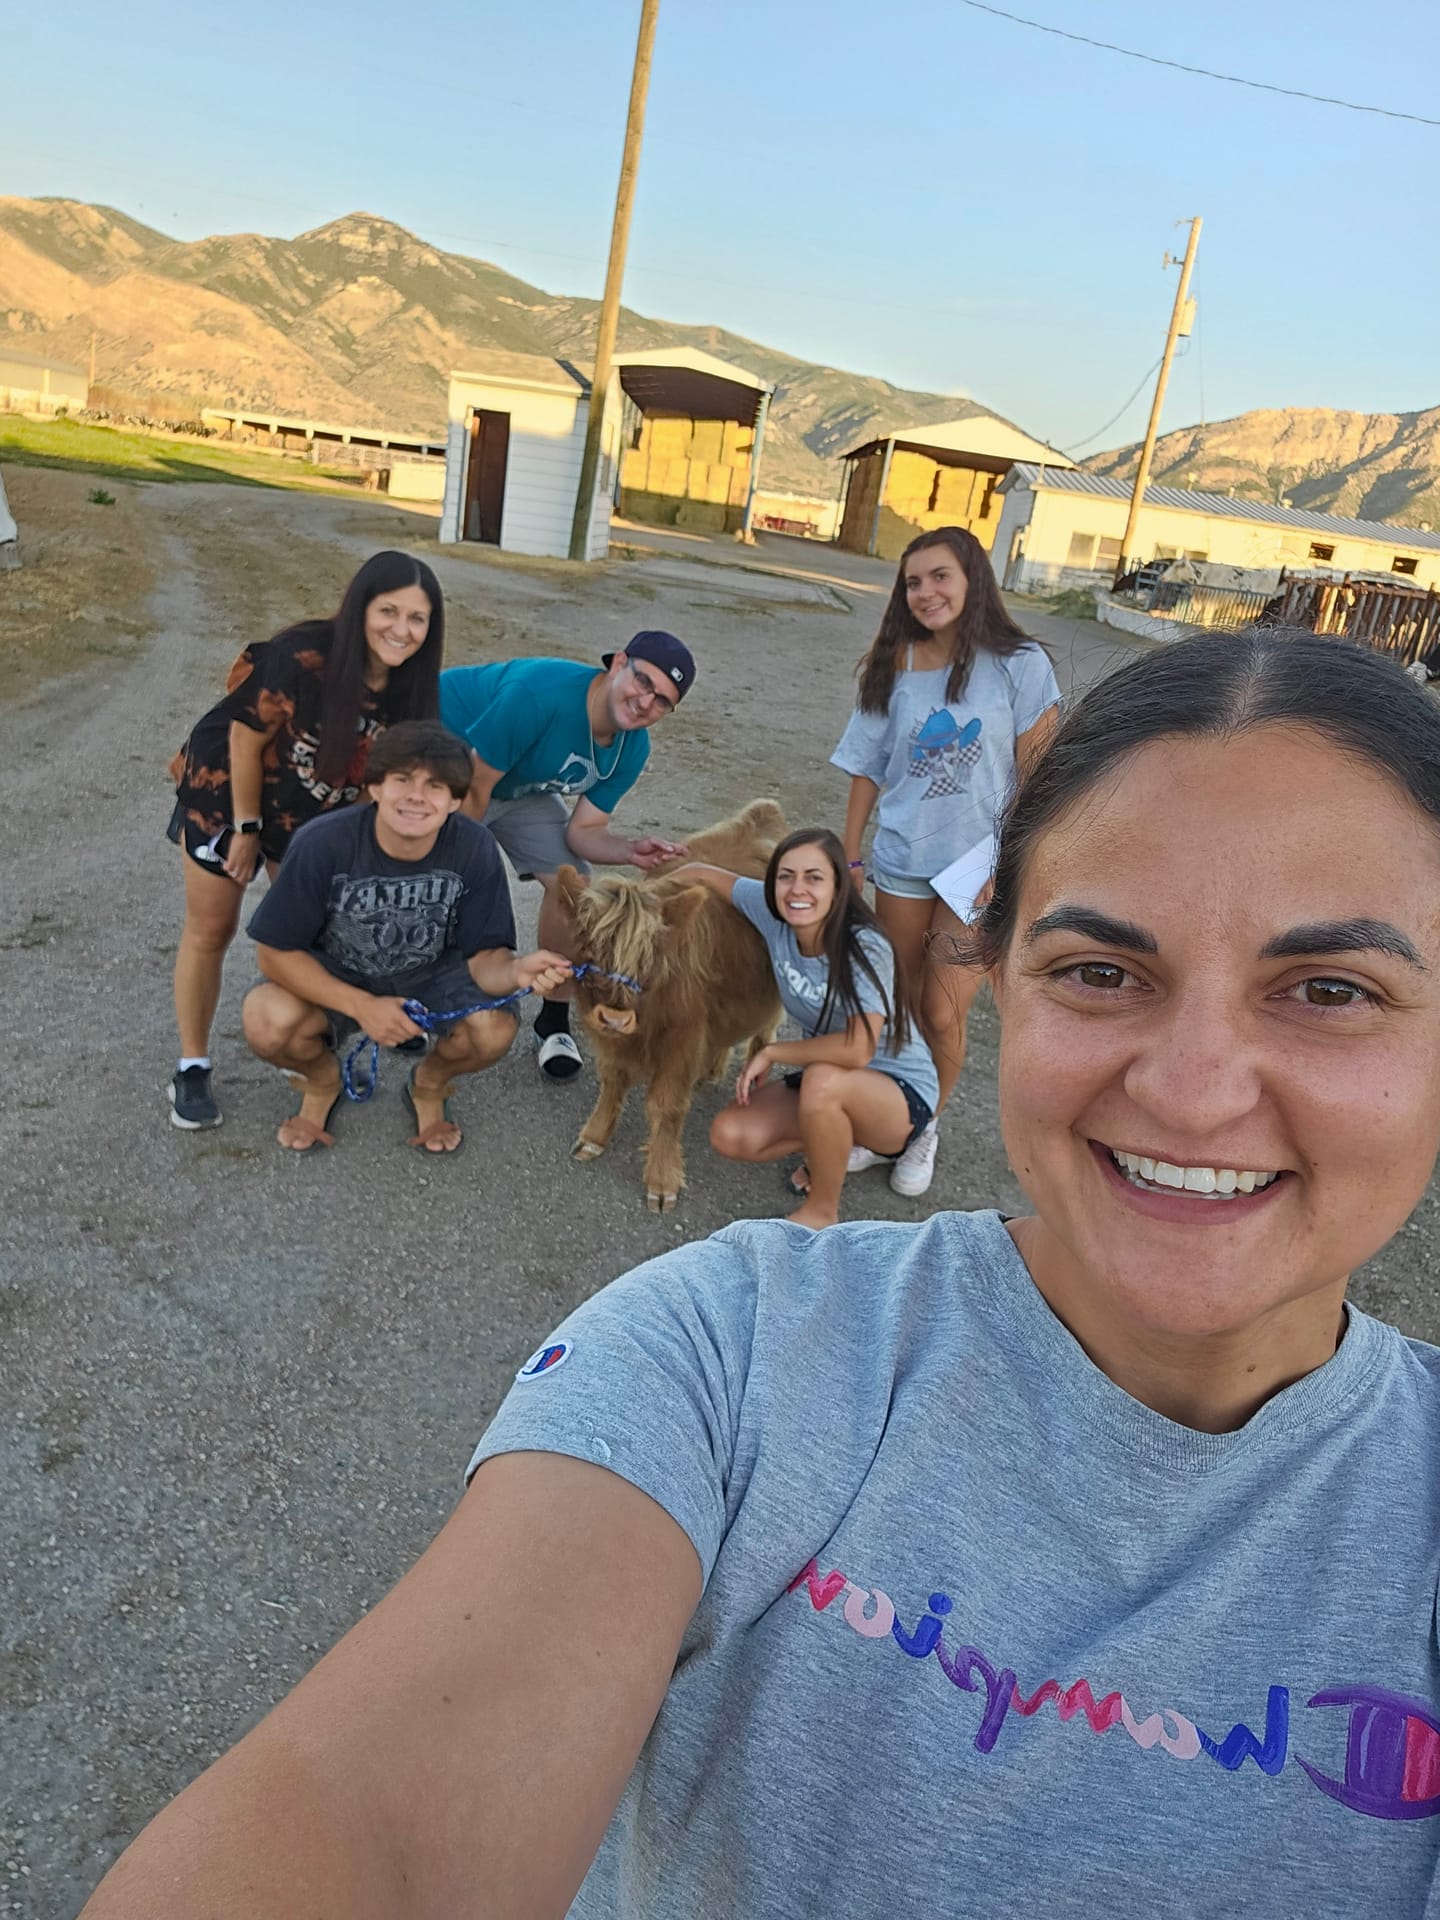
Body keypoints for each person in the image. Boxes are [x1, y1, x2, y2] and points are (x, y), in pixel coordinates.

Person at [82, 629, 1440, 1916]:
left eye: (1330, 991)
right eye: (1101, 971)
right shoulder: (724, 1346)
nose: (1194, 1092)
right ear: (1002, 975)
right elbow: (372, 1819)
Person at [166, 550, 444, 1132]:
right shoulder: (304, 656)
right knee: (212, 928)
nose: (401, 629)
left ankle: (324, 1031)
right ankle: (192, 1066)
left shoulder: (414, 687)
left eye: (417, 618)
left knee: (320, 928)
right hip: (229, 792)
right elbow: (244, 740)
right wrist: (246, 830)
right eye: (388, 611)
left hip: (310, 810)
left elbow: (383, 778)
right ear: (361, 607)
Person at [833, 524, 1059, 1196]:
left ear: (972, 580)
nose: (925, 592)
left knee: (941, 1011)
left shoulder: (1020, 663)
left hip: (977, 871)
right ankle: (889, 1122)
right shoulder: (895, 664)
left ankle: (925, 1125)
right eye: (913, 582)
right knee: (898, 1003)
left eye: (940, 576)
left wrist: (1009, 865)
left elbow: (1039, 777)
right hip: (903, 858)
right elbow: (867, 766)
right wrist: (850, 854)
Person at [242, 721, 571, 1154]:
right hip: (340, 969)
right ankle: (322, 1080)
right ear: (375, 787)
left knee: (493, 1029)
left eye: (435, 786)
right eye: (402, 779)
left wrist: (517, 970)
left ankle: (429, 1084)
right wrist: (363, 1006)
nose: (416, 796)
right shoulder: (323, 842)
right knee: (265, 1020)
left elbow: (484, 957)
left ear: (455, 800)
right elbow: (274, 953)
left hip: (434, 972)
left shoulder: (473, 846)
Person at [438, 632, 694, 1081]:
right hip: (452, 764)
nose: (645, 703)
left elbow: (584, 832)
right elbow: (476, 787)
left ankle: (553, 1022)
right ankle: (408, 995)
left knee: (572, 886)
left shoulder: (633, 747)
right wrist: (459, 869)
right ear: (618, 664)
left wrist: (629, 849)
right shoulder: (540, 694)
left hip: (515, 788)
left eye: (662, 702)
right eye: (643, 682)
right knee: (436, 881)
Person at [670, 828, 938, 1230]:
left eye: (814, 877)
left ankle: (821, 1211)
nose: (798, 889)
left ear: (838, 887)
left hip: (899, 1092)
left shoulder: (864, 945)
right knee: (730, 1133)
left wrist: (773, 1051)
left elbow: (858, 1050)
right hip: (828, 1080)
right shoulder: (773, 914)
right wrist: (646, 900)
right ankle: (833, 1139)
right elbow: (700, 873)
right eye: (786, 876)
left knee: (822, 1081)